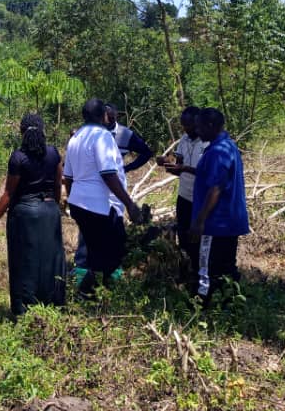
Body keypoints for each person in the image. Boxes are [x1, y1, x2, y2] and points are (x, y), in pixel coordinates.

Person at [0, 113, 67, 317]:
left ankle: (24, 309)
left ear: (22, 132)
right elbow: (57, 185)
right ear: (43, 130)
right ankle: (54, 304)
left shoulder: (18, 157)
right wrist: (54, 208)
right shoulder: (54, 153)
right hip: (50, 212)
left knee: (24, 262)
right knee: (52, 260)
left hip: (25, 216)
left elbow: (9, 193)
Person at [64, 98, 144, 295]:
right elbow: (108, 173)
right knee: (114, 250)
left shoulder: (75, 138)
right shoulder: (102, 137)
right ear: (104, 116)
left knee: (95, 252)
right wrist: (130, 204)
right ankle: (96, 293)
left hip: (79, 204)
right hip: (98, 206)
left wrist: (73, 200)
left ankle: (92, 294)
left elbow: (68, 177)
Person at [189, 108, 249, 301]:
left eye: (199, 127)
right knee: (226, 267)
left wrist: (199, 221)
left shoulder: (218, 151)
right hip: (229, 222)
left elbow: (215, 189)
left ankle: (204, 306)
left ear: (210, 126)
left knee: (208, 268)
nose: (197, 131)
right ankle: (230, 303)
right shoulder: (228, 146)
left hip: (216, 224)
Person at [164, 106, 208, 281]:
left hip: (200, 199)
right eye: (183, 125)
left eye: (188, 125)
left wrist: (184, 168)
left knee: (198, 239)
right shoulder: (183, 140)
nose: (186, 129)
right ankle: (185, 273)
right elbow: (179, 169)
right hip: (184, 196)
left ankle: (200, 275)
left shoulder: (207, 143)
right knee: (183, 236)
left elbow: (207, 173)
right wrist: (168, 165)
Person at [104, 103, 154, 173]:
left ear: (116, 116)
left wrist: (127, 168)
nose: (107, 118)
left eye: (110, 114)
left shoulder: (125, 134)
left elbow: (147, 153)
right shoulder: (93, 133)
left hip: (114, 180)